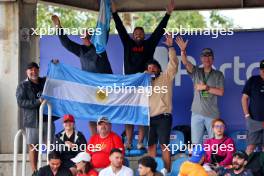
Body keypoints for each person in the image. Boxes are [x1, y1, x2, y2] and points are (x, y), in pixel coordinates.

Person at [111, 0, 174, 150]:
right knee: (128, 114)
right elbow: (120, 28)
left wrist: (168, 14)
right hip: (129, 84)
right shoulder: (127, 43)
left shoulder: (149, 44)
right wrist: (114, 13)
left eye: (141, 33)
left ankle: (139, 142)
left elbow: (159, 31)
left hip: (145, 84)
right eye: (136, 33)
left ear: (144, 35)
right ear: (133, 36)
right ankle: (128, 142)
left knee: (142, 113)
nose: (138, 35)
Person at [51, 15, 113, 136]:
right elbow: (66, 43)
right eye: (84, 35)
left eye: (89, 35)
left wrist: (107, 20)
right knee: (91, 116)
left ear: (93, 37)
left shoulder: (100, 48)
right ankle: (95, 139)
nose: (86, 37)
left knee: (104, 116)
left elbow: (104, 35)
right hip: (89, 88)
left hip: (103, 87)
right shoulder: (80, 49)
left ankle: (105, 139)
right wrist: (59, 27)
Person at [176, 36, 224, 145]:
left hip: (212, 114)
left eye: (209, 56)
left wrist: (206, 88)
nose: (207, 58)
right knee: (196, 143)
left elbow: (220, 92)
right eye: (204, 56)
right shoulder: (196, 71)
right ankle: (197, 162)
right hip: (196, 113)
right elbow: (185, 62)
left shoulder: (218, 74)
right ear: (201, 59)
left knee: (215, 143)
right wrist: (183, 51)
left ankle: (213, 162)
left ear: (213, 59)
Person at [16, 62, 56, 176]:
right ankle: (34, 172)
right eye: (30, 70)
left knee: (51, 145)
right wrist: (37, 102)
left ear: (38, 70)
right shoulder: (22, 86)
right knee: (34, 146)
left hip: (47, 119)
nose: (33, 72)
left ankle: (52, 170)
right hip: (33, 121)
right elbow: (20, 102)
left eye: (35, 69)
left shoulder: (45, 81)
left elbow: (56, 80)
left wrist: (55, 66)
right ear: (27, 72)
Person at [146, 33, 178, 174]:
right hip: (149, 118)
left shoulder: (166, 77)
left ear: (159, 68)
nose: (152, 70)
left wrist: (171, 46)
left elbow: (174, 64)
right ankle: (150, 172)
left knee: (164, 145)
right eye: (149, 68)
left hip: (164, 117)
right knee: (151, 146)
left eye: (154, 67)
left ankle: (168, 172)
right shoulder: (144, 82)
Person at [241, 60, 264, 156]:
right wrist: (247, 116)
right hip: (254, 121)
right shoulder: (253, 80)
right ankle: (244, 169)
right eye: (262, 69)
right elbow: (244, 98)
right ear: (260, 69)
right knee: (250, 147)